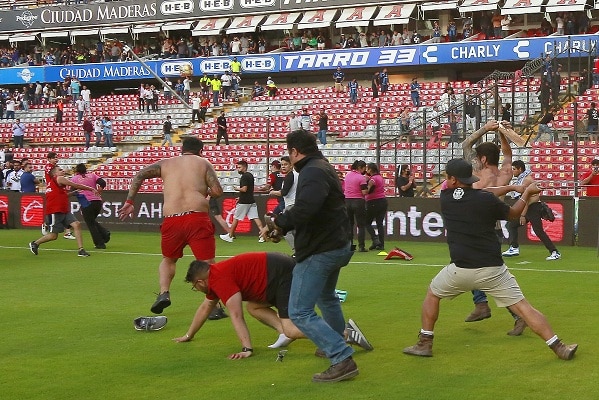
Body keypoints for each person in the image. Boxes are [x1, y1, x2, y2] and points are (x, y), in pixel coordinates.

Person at [402, 158, 578, 361]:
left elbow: (481, 193)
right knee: (524, 308)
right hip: (493, 270)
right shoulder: (485, 200)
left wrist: (512, 187)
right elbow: (513, 213)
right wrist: (526, 193)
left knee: (432, 294)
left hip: (460, 269)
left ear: (453, 179)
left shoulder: (446, 197)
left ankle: (425, 343)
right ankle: (559, 347)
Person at [268, 129, 359, 382]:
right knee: (326, 297)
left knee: (299, 311)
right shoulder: (322, 166)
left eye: (289, 153)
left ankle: (341, 356)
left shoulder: (312, 171)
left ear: (294, 151)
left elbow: (307, 207)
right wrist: (282, 226)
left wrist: (280, 223)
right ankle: (334, 340)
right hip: (336, 244)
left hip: (321, 249)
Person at [118, 137, 223, 314]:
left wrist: (130, 201)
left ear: (182, 149)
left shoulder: (165, 163)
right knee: (207, 263)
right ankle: (214, 306)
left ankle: (164, 293)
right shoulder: (203, 163)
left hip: (172, 219)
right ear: (200, 151)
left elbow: (139, 175)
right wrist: (205, 191)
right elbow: (218, 191)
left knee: (168, 259)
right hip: (197, 218)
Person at [173, 253, 304, 358]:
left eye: (195, 287)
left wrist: (247, 349)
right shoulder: (214, 275)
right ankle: (285, 333)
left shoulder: (220, 280)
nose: (197, 289)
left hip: (281, 272)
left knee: (291, 330)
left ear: (200, 282)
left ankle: (313, 334)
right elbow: (205, 308)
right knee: (253, 307)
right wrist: (188, 335)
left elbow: (236, 315)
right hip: (276, 271)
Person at [29, 165, 98, 257]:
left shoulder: (54, 184)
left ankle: (81, 250)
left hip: (63, 210)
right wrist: (91, 188)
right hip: (55, 210)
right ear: (55, 173)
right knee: (53, 236)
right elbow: (75, 185)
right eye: (60, 170)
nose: (62, 171)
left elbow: (63, 195)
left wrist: (73, 193)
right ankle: (35, 243)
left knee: (77, 224)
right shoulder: (59, 178)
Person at [503, 160, 561, 262]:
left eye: (514, 169)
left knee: (538, 231)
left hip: (533, 208)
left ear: (520, 169)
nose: (513, 171)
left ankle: (554, 252)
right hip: (530, 207)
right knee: (511, 225)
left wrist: (523, 215)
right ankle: (514, 247)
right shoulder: (524, 179)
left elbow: (526, 199)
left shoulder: (526, 180)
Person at [219, 160, 265, 243]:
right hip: (251, 200)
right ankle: (263, 236)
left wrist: (237, 188)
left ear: (244, 167)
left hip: (244, 202)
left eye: (239, 167)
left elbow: (244, 189)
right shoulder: (250, 175)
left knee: (236, 218)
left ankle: (230, 236)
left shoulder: (244, 176)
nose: (238, 169)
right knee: (256, 218)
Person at [71, 163, 110, 249]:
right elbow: (102, 182)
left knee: (90, 223)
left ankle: (100, 243)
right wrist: (100, 189)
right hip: (97, 201)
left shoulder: (74, 178)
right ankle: (104, 233)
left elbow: (72, 191)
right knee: (91, 221)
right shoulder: (92, 175)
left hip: (85, 201)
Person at [344, 160, 368, 252]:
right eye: (364, 168)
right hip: (358, 201)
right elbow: (364, 192)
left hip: (347, 201)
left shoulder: (347, 175)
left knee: (350, 225)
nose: (365, 170)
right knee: (361, 225)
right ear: (360, 168)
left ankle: (350, 246)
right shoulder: (361, 178)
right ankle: (361, 246)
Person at [363, 163, 387, 250]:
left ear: (370, 169)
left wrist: (365, 182)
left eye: (368, 169)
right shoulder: (380, 177)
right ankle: (381, 244)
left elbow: (368, 190)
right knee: (379, 223)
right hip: (383, 201)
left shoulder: (373, 179)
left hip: (373, 201)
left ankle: (375, 239)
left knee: (367, 222)